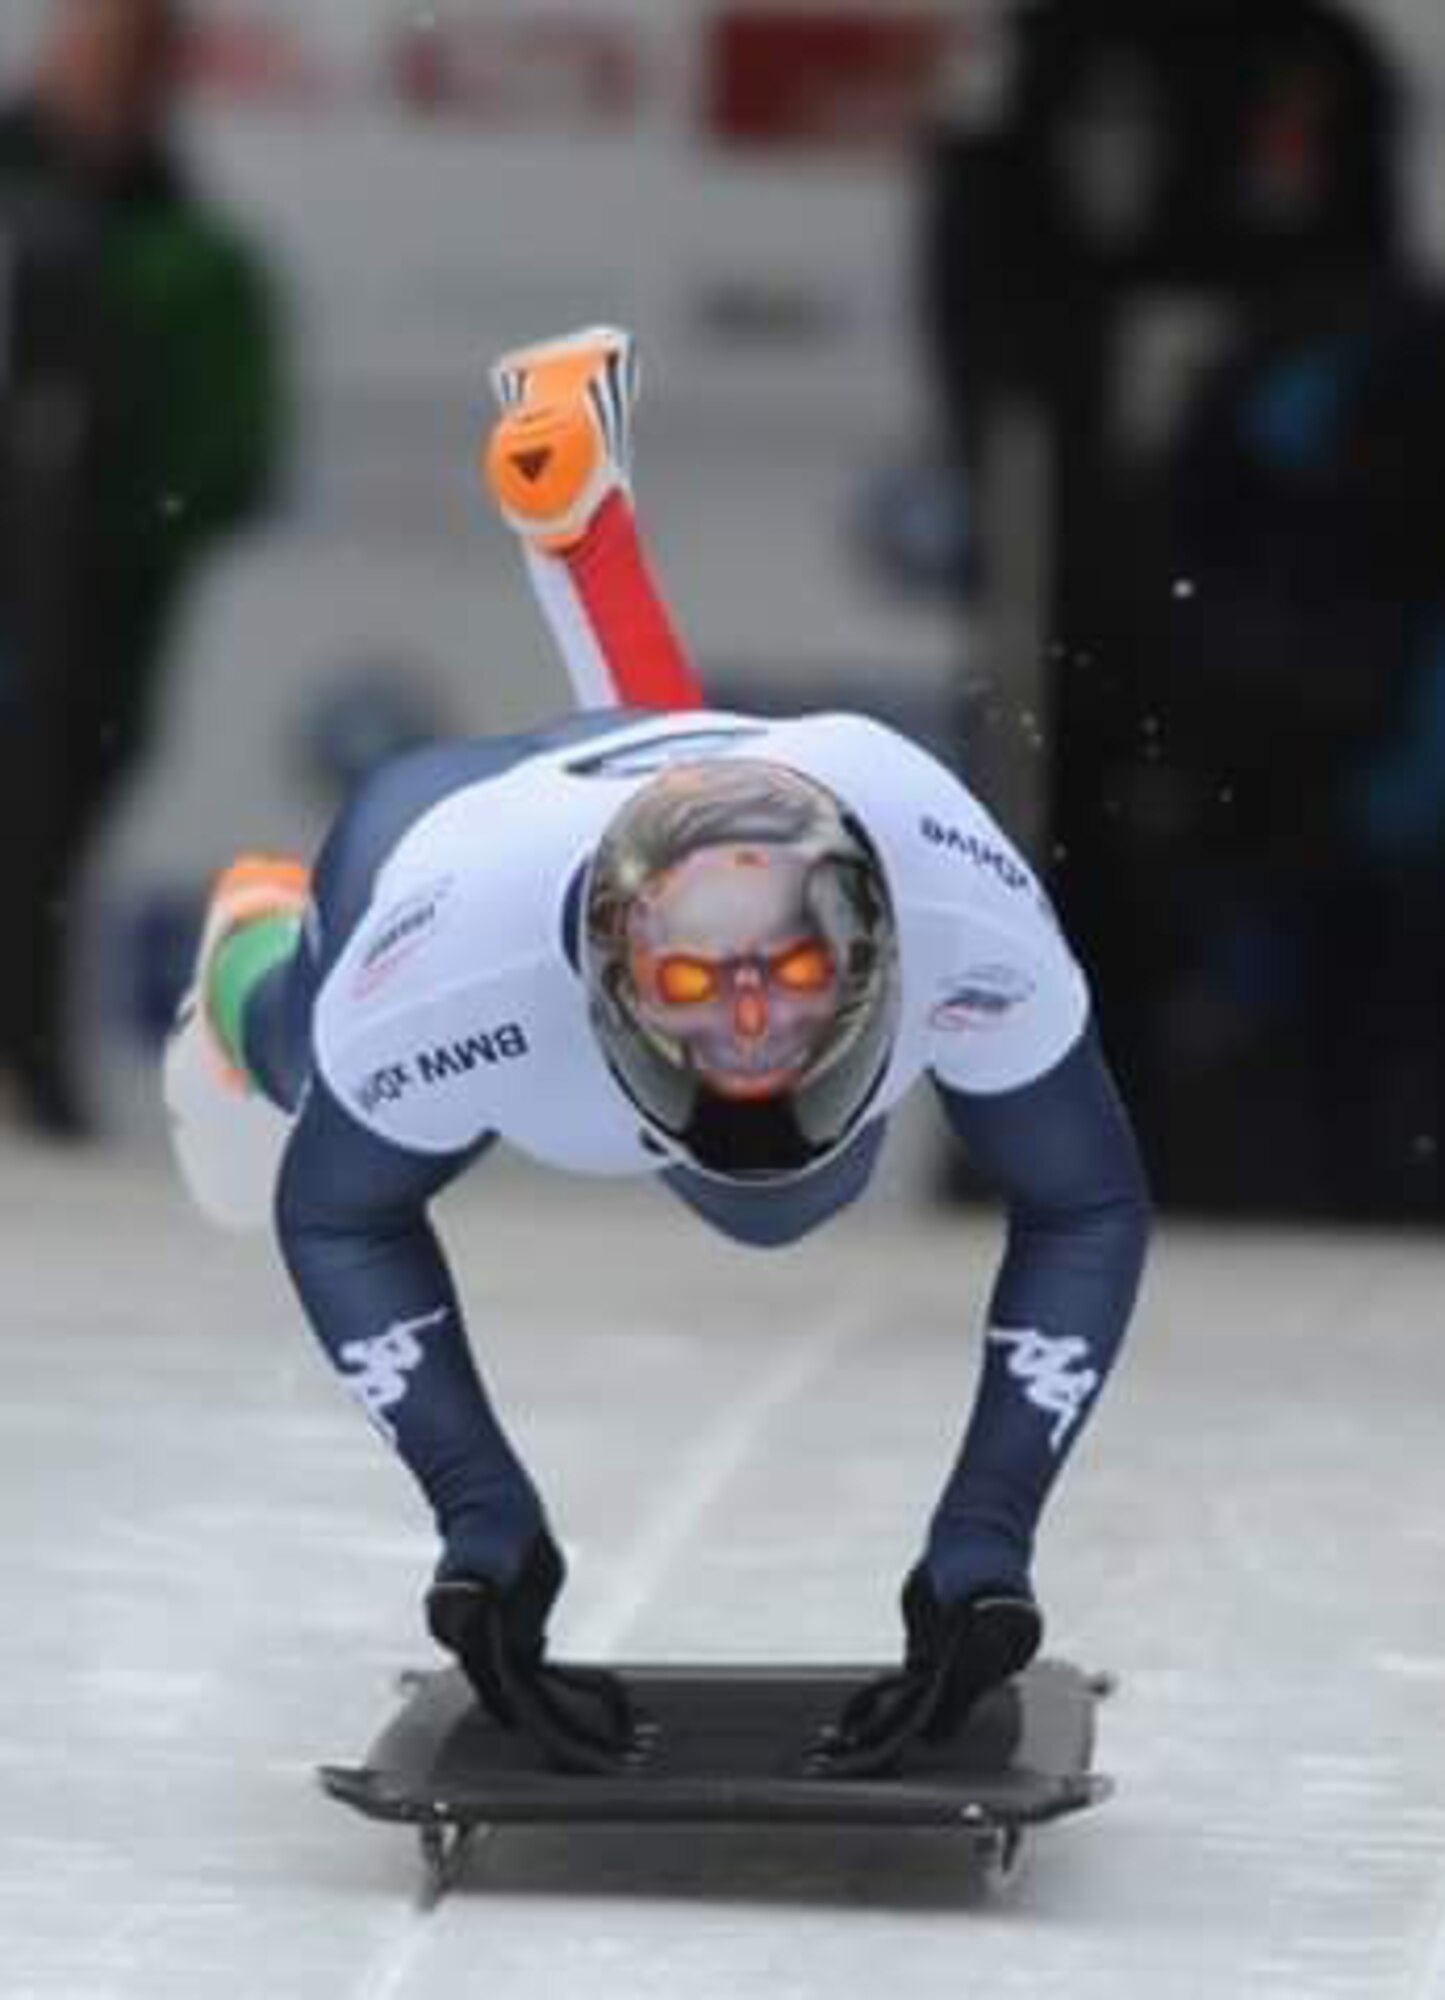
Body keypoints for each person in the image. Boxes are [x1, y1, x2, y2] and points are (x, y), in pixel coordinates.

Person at [165, 328, 1150, 1774]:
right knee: (302, 1058)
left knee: (782, 1196)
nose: (751, 1029)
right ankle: (253, 929)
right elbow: (336, 1208)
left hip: (713, 768)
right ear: (608, 987)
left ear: (881, 944)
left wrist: (983, 1544)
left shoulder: (950, 889)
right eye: (693, 986)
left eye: (799, 977)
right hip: (454, 833)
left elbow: (1087, 1203)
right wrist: (481, 1518)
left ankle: (585, 537)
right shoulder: (457, 970)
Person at [0, 0, 285, 1135]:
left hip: (88, 624)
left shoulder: (195, 261)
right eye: (90, 44)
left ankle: (32, 1064)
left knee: (39, 847)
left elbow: (232, 462)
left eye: (133, 56)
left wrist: (107, 487)